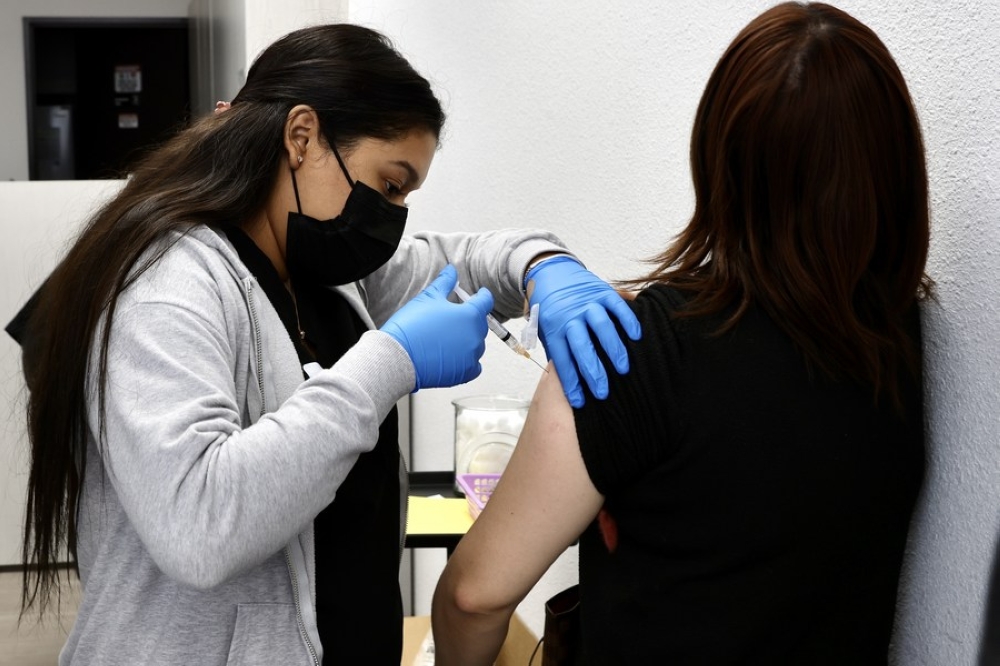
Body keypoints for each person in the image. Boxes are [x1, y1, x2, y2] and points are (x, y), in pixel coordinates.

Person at [12, 24, 642, 666]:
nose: (392, 217)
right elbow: (198, 524)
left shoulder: (321, 268)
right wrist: (389, 363)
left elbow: (470, 259)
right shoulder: (168, 282)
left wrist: (543, 268)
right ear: (302, 136)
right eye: (390, 185)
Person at [432, 3, 930, 663]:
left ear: (716, 160)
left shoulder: (631, 349)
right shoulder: (898, 338)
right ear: (894, 172)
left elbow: (476, 595)